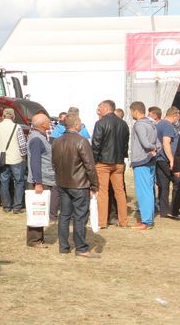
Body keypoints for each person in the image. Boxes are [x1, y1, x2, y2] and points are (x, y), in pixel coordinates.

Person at [52, 112, 99, 258]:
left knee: (64, 215)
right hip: (79, 184)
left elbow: (54, 164)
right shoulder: (82, 141)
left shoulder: (57, 141)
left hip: (63, 183)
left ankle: (63, 247)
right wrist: (94, 185)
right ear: (77, 125)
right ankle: (81, 248)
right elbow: (90, 166)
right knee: (80, 216)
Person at [91, 99, 129, 229]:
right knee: (120, 192)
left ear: (106, 108)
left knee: (103, 192)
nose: (98, 110)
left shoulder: (100, 123)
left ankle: (102, 222)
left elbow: (96, 144)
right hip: (118, 162)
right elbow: (125, 144)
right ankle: (123, 221)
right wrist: (122, 159)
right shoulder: (123, 124)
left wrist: (93, 161)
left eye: (100, 107)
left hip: (103, 162)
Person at [0, 108, 27, 213]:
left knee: (4, 181)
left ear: (3, 116)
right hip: (16, 158)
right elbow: (22, 144)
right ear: (13, 116)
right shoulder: (17, 127)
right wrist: (23, 155)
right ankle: (17, 206)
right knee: (19, 182)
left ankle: (6, 206)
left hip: (2, 158)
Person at [26, 113, 54, 248]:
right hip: (40, 180)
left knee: (40, 209)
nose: (50, 124)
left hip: (43, 179)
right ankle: (34, 240)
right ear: (43, 125)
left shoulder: (39, 137)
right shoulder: (37, 139)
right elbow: (35, 162)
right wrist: (38, 182)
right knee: (37, 209)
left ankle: (38, 239)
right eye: (48, 122)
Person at [130, 101, 159, 230]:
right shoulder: (152, 124)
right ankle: (148, 219)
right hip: (150, 161)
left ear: (135, 111)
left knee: (143, 192)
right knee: (149, 191)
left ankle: (146, 221)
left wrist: (151, 148)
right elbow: (158, 144)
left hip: (142, 160)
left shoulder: (139, 125)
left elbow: (146, 143)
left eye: (131, 111)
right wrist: (155, 150)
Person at [155, 107, 180, 220]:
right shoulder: (168, 126)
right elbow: (166, 143)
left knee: (164, 184)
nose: (178, 119)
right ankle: (174, 211)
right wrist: (172, 160)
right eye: (178, 117)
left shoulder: (159, 124)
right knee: (179, 183)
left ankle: (164, 210)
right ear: (175, 115)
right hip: (167, 159)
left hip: (159, 159)